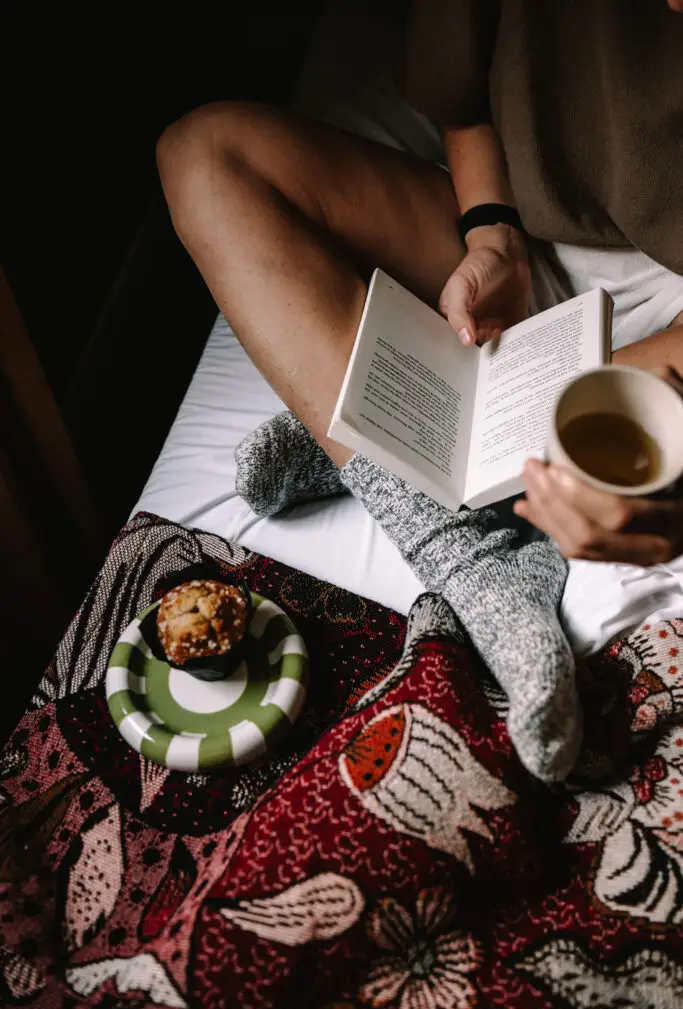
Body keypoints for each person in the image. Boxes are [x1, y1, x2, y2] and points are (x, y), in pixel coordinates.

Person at [155, 0, 683, 782]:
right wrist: (491, 233)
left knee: (607, 429)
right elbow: (462, 101)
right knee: (203, 155)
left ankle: (396, 436)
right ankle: (468, 545)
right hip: (536, 247)